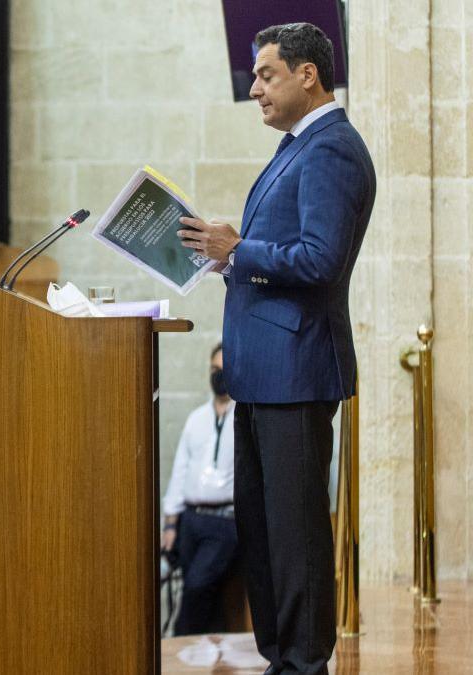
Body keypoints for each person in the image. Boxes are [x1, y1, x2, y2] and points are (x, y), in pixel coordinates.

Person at [177, 22, 375, 674]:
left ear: (307, 74)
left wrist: (239, 249)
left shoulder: (331, 150)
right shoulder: (297, 148)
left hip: (296, 368)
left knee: (295, 537)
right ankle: (282, 657)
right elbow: (276, 256)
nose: (255, 89)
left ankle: (305, 663)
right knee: (262, 534)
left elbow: (320, 259)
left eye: (266, 74)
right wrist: (225, 259)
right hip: (263, 373)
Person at [161, 343, 236, 635]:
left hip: (225, 522)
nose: (218, 376)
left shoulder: (243, 418)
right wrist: (170, 525)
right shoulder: (196, 419)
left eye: (224, 371)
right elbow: (180, 472)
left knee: (197, 585)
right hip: (191, 520)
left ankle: (177, 645)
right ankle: (207, 661)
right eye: (214, 370)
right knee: (202, 593)